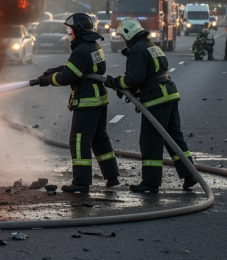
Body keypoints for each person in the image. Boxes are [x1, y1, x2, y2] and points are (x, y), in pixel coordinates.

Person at [106, 18, 196, 193]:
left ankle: (151, 182)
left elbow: (134, 78)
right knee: (174, 138)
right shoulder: (151, 46)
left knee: (150, 141)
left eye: (123, 37)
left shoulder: (137, 50)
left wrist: (115, 82)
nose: (123, 40)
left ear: (128, 34)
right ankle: (189, 175)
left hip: (156, 98)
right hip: (169, 93)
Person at [33, 13, 119, 193]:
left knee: (79, 140)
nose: (69, 33)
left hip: (87, 99)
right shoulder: (93, 46)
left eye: (71, 29)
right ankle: (111, 176)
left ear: (78, 30)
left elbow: (68, 77)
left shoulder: (80, 50)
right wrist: (56, 69)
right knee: (99, 138)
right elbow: (78, 69)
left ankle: (81, 181)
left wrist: (49, 79)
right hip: (99, 97)